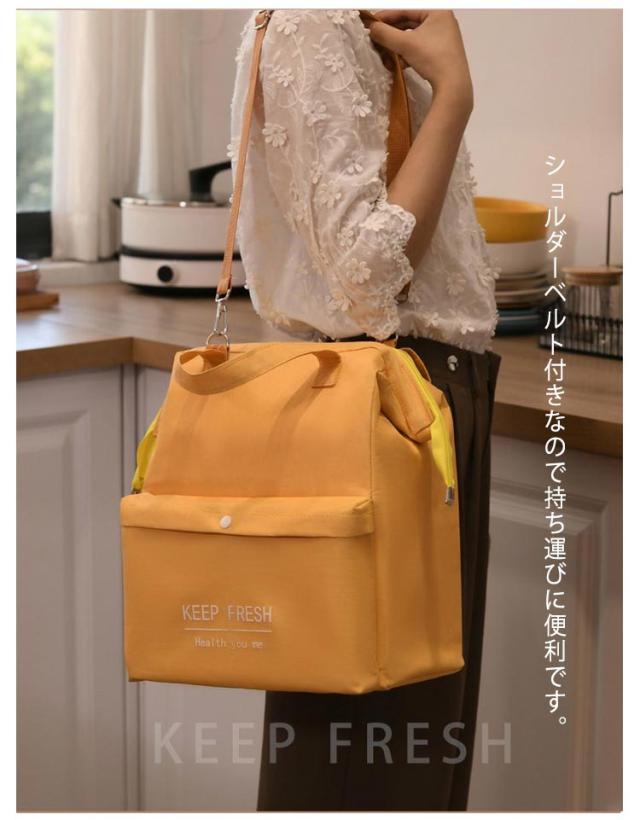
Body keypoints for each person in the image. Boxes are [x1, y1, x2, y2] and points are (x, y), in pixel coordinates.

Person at [229, 8, 501, 811]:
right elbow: (367, 275)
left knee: (413, 760)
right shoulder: (317, 22)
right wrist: (453, 94)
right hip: (388, 406)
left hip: (422, 400)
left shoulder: (370, 25)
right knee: (371, 766)